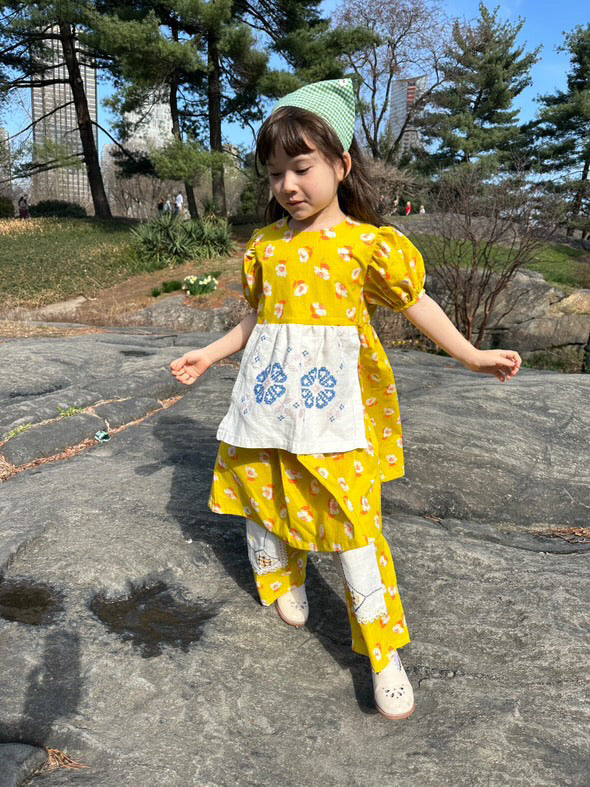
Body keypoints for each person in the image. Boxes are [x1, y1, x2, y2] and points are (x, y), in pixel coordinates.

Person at [170, 79, 521, 720]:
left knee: (356, 525)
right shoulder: (266, 245)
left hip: (337, 408)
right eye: (275, 173)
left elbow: (416, 301)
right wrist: (211, 353)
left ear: (342, 164)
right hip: (268, 399)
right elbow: (259, 319)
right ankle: (284, 576)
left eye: (302, 168)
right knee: (265, 487)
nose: (288, 186)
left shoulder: (368, 244)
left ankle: (383, 655)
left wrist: (470, 354)